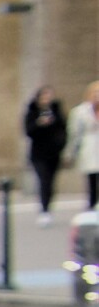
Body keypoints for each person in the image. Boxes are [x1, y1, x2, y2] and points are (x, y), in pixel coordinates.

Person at [24, 85, 67, 224]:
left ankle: (48, 206)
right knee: (44, 179)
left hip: (53, 152)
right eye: (44, 96)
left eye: (49, 96)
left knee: (51, 182)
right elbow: (28, 131)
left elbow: (63, 129)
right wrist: (39, 123)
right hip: (38, 153)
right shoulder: (32, 112)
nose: (46, 99)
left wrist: (61, 144)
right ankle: (44, 209)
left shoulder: (56, 111)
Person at [66, 81, 99, 215]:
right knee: (92, 178)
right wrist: (71, 152)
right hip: (89, 146)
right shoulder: (80, 111)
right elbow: (74, 133)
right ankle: (92, 205)